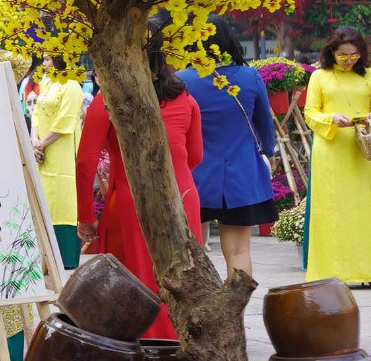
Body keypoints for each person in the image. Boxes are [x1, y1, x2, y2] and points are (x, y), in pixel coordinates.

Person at [75, 22, 203, 338]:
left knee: (137, 283)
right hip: (183, 195)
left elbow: (85, 163)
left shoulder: (109, 97)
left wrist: (86, 218)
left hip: (132, 202)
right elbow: (196, 154)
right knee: (184, 279)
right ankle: (183, 340)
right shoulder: (184, 97)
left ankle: (147, 348)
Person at [305, 26, 371, 288]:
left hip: (364, 147)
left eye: (354, 55)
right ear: (331, 52)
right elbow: (310, 113)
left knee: (370, 208)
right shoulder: (319, 76)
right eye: (343, 55)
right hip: (331, 148)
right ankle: (333, 272)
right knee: (333, 211)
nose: (349, 60)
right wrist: (331, 119)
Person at [181, 17, 279, 279]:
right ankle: (235, 315)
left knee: (194, 251)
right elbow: (265, 125)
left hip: (195, 175)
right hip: (241, 175)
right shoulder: (249, 76)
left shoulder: (181, 81)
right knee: (238, 252)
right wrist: (269, 152)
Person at [31, 58, 87, 268]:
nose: (44, 63)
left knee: (64, 201)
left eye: (48, 58)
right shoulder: (47, 84)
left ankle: (65, 258)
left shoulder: (72, 86)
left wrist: (42, 144)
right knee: (46, 198)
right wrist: (35, 141)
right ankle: (45, 259)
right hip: (43, 152)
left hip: (63, 152)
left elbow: (66, 121)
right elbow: (35, 114)